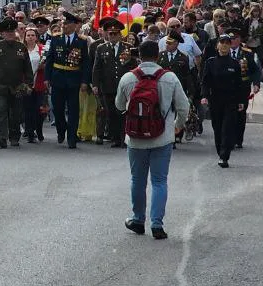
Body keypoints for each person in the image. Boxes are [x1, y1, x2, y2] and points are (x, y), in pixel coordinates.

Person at [116, 40, 190, 240]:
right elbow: (184, 106)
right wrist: (177, 125)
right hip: (162, 137)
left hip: (135, 138)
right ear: (158, 55)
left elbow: (119, 104)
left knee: (137, 180)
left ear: (139, 55)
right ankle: (157, 224)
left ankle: (138, 219)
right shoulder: (170, 78)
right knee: (159, 181)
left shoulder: (128, 77)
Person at [43, 13, 91, 148]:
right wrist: (47, 78)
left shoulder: (81, 41)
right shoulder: (56, 39)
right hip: (57, 79)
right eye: (63, 24)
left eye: (67, 24)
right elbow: (49, 59)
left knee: (73, 110)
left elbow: (85, 63)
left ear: (74, 26)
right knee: (57, 108)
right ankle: (61, 128)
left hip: (74, 80)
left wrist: (84, 81)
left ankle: (71, 137)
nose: (64, 26)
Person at [0, 19, 33, 149]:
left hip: (17, 87)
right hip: (0, 86)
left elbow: (27, 68)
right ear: (3, 33)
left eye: (12, 31)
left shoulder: (21, 48)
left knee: (15, 113)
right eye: (7, 32)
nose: (10, 34)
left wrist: (29, 84)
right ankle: (2, 137)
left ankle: (14, 137)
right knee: (1, 112)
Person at [203, 34, 248, 168]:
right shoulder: (210, 62)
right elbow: (205, 81)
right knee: (217, 128)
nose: (224, 45)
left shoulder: (235, 63)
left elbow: (240, 84)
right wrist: (205, 96)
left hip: (231, 100)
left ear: (230, 46)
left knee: (227, 128)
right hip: (215, 100)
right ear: (217, 45)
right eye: (222, 42)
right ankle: (220, 151)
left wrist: (241, 101)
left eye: (227, 43)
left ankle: (224, 156)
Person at [92, 18, 137, 148]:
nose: (112, 36)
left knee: (123, 113)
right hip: (108, 86)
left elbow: (134, 67)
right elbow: (97, 68)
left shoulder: (128, 48)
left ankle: (124, 138)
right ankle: (116, 138)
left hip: (124, 87)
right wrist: (95, 84)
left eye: (115, 34)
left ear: (120, 34)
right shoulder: (101, 48)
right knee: (111, 113)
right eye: (110, 34)